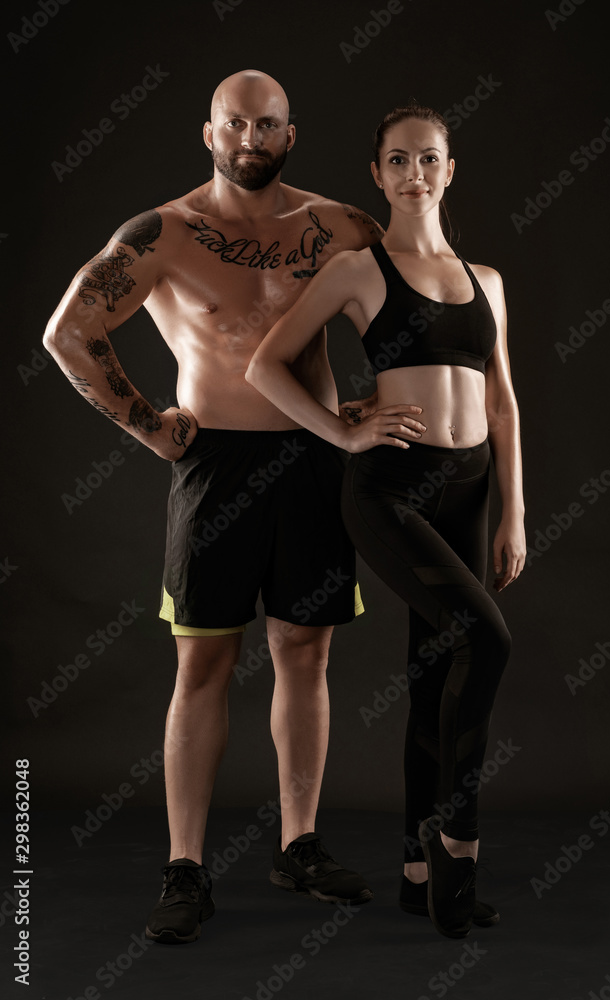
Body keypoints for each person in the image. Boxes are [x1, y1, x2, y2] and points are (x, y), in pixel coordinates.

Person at [43, 69, 386, 944]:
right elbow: (69, 333)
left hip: (313, 460)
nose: (250, 139)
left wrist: (374, 405)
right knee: (202, 668)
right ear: (209, 132)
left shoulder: (340, 225)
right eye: (236, 124)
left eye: (267, 125)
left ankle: (298, 845)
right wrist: (146, 425)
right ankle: (185, 866)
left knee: (303, 658)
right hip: (215, 468)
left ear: (290, 133)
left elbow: (411, 317)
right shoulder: (162, 232)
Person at [247, 101, 526, 939]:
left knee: (434, 672)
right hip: (390, 490)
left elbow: (504, 404)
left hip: (473, 488)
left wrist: (513, 511)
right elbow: (267, 365)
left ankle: (413, 871)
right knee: (486, 641)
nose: (414, 174)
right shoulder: (357, 268)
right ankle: (456, 843)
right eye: (397, 161)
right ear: (378, 174)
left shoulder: (489, 281)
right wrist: (342, 431)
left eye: (429, 159)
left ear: (449, 170)